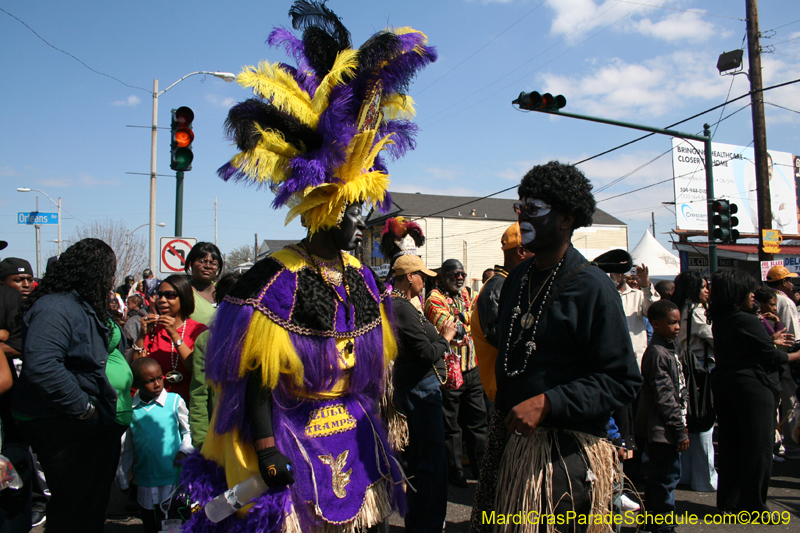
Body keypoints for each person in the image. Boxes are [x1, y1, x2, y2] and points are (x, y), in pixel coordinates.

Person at [180, 3, 436, 531]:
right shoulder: (272, 279)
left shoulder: (362, 276)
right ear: (330, 208)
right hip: (291, 434)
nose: (361, 222)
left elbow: (401, 351)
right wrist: (268, 448)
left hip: (352, 432)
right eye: (355, 209)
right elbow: (252, 379)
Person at [471, 161, 641, 532]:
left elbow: (621, 380)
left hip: (566, 461)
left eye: (533, 209)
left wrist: (549, 402)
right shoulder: (516, 279)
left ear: (565, 219)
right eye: (520, 207)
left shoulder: (594, 288)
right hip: (513, 451)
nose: (522, 219)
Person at [12, 238, 120, 533]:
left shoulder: (83, 305)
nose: (112, 279)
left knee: (88, 504)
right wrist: (83, 408)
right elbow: (44, 366)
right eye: (109, 271)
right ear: (94, 271)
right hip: (63, 424)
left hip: (86, 424)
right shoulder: (55, 307)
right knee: (73, 507)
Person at [709, 269, 800, 513]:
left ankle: (729, 502)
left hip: (728, 386)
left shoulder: (722, 318)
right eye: (748, 291)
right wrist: (795, 353)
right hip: (754, 388)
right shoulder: (746, 320)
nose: (753, 296)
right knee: (758, 448)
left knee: (731, 447)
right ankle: (754, 505)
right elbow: (771, 357)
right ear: (736, 293)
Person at [391, 253, 455, 532]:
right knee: (431, 462)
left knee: (420, 459)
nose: (426, 281)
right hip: (419, 388)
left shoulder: (403, 304)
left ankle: (419, 521)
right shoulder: (401, 307)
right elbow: (426, 353)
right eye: (422, 275)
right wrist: (447, 337)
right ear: (409, 277)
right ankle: (428, 524)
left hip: (416, 386)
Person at [426, 259, 487, 487]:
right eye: (454, 274)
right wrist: (467, 319)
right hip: (450, 372)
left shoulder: (466, 294)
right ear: (442, 276)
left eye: (462, 273)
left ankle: (481, 469)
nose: (460, 278)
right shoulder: (434, 298)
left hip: (472, 367)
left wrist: (465, 320)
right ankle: (455, 472)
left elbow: (477, 318)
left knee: (478, 421)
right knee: (451, 426)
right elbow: (450, 327)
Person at [118, 358, 193, 533]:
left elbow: (189, 430)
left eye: (160, 378)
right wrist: (122, 479)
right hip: (146, 478)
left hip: (173, 477)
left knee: (177, 520)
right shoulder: (131, 409)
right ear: (136, 384)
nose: (158, 384)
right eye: (150, 381)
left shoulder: (174, 401)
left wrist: (184, 450)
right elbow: (125, 446)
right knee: (151, 522)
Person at [635, 300, 689, 532]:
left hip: (666, 427)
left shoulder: (668, 349)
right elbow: (665, 396)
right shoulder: (658, 353)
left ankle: (651, 522)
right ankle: (661, 526)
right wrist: (678, 429)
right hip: (662, 430)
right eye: (672, 323)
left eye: (678, 322)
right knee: (664, 481)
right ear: (655, 325)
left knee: (661, 480)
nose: (677, 327)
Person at [472, 222, 533, 402]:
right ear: (521, 252)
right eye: (534, 249)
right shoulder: (497, 288)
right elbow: (503, 340)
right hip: (504, 390)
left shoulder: (512, 283)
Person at [670, 270, 717, 492]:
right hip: (700, 371)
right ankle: (705, 479)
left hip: (684, 369)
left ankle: (687, 475)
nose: (707, 290)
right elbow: (714, 339)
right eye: (703, 286)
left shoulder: (679, 308)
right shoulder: (698, 312)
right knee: (703, 426)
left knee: (688, 423)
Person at [133, 275, 206, 402]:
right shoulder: (153, 329)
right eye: (159, 295)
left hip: (189, 404)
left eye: (169, 295)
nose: (162, 300)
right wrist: (142, 335)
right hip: (155, 405)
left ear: (183, 297)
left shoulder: (199, 330)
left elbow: (194, 368)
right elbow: (136, 369)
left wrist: (174, 335)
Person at [189, 271, 239, 449]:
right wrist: (202, 442)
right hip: (217, 439)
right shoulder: (206, 341)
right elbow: (199, 395)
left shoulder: (262, 339)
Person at [765, 265, 800, 460]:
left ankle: (774, 444)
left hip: (771, 358)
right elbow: (793, 335)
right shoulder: (785, 302)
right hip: (787, 359)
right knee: (790, 403)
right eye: (789, 280)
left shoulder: (766, 298)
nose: (792, 284)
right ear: (783, 282)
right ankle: (792, 446)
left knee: (773, 404)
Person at [610, 264, 659, 368]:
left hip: (636, 356)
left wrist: (645, 286)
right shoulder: (607, 292)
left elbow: (654, 311)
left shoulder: (639, 295)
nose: (632, 279)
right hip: (612, 355)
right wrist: (614, 282)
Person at [184, 242, 223, 326]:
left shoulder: (224, 290)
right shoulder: (184, 292)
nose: (208, 266)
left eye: (213, 263)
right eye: (202, 261)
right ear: (191, 263)